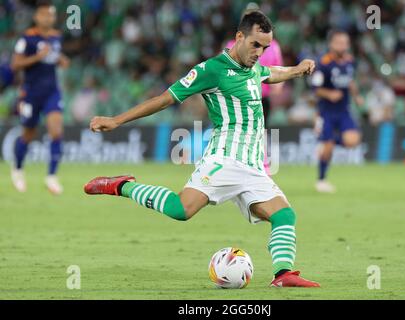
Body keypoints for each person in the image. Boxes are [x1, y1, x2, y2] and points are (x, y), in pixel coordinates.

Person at [84, 11, 320, 288]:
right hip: (224, 159)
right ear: (239, 37)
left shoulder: (253, 68)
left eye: (265, 47)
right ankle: (122, 185)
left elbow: (270, 74)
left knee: (284, 215)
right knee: (181, 210)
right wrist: (116, 120)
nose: (260, 52)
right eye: (256, 45)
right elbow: (164, 99)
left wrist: (296, 69)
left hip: (253, 166)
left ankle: (283, 275)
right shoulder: (211, 70)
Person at [10, 1, 70, 194]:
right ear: (36, 17)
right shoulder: (27, 38)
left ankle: (51, 176)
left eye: (51, 15)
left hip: (52, 92)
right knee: (28, 134)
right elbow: (15, 65)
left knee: (56, 130)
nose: (48, 18)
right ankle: (18, 169)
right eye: (45, 15)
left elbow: (56, 58)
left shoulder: (56, 37)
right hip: (31, 93)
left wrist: (61, 60)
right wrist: (38, 56)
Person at [225, 8, 284, 175]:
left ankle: (261, 165)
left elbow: (276, 67)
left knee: (259, 130)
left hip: (261, 96)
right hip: (239, 96)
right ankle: (244, 165)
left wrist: (277, 86)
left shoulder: (272, 46)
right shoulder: (232, 44)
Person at [311, 30, 364, 193]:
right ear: (331, 44)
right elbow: (315, 89)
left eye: (345, 43)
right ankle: (321, 180)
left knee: (353, 140)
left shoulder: (349, 62)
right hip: (326, 112)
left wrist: (356, 96)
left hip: (344, 111)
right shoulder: (324, 63)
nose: (343, 46)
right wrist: (329, 94)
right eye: (339, 42)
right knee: (327, 149)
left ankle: (330, 141)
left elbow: (350, 81)